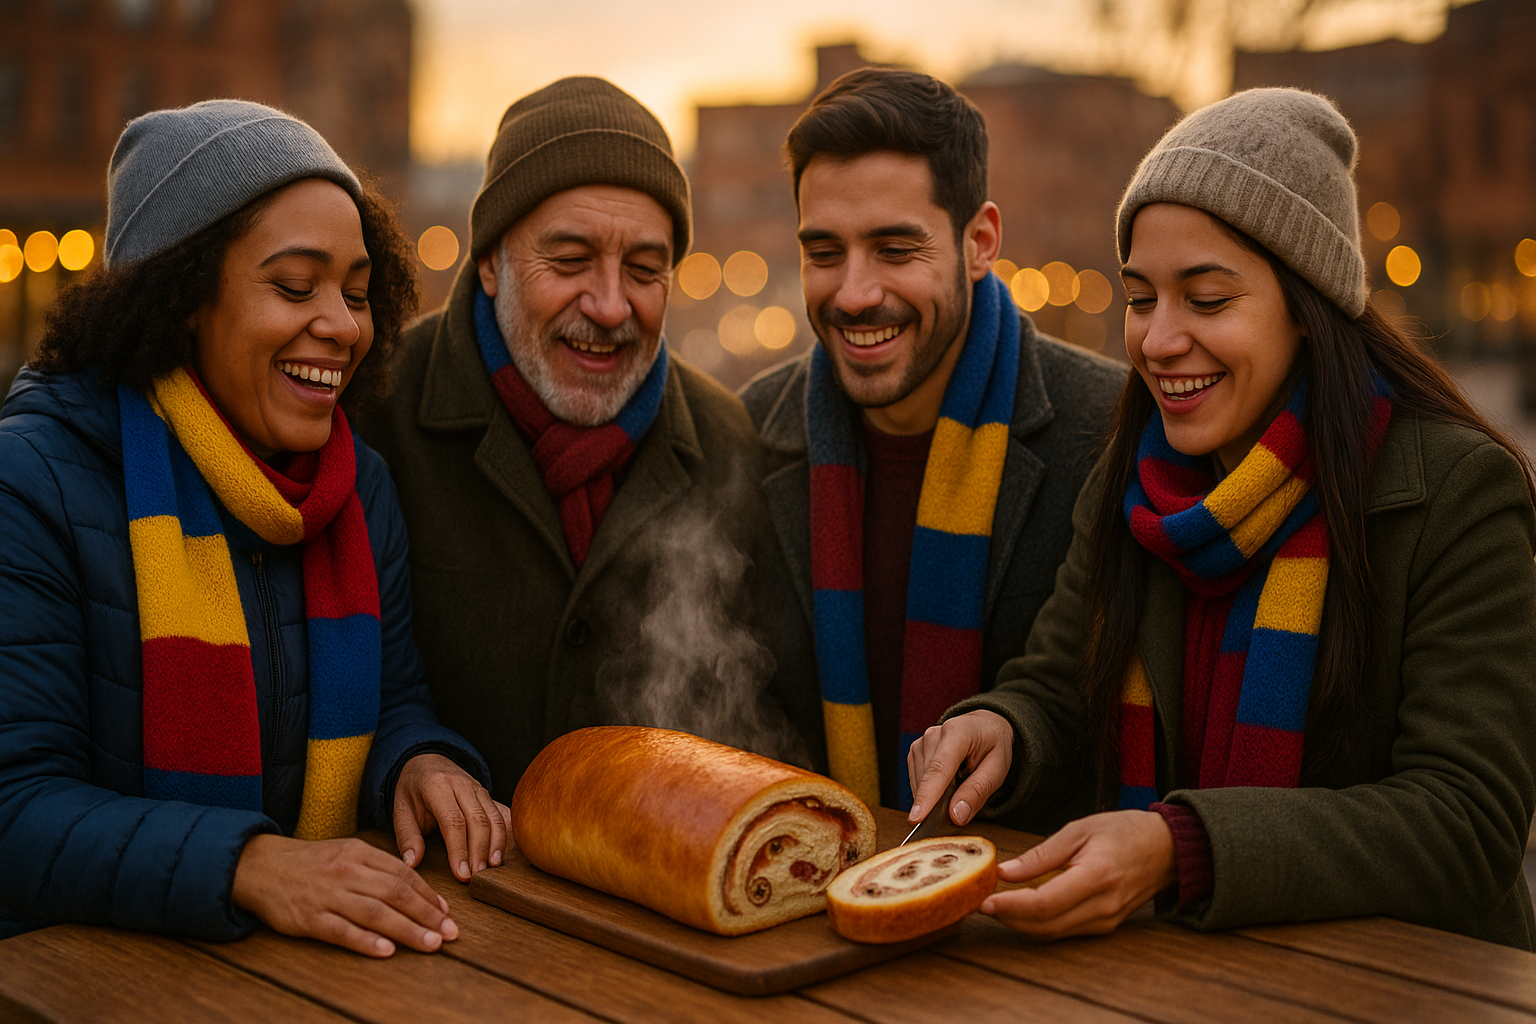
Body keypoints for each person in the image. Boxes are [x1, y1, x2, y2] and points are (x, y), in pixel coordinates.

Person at [908, 87, 1536, 949]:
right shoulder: (1130, 481)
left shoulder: (1457, 494)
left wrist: (1183, 848)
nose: (1159, 341)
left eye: (1206, 300)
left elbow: (1466, 822)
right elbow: (1056, 687)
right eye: (1141, 299)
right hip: (1174, 976)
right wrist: (1002, 730)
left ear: (1309, 308)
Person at [0, 100, 508, 958]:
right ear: (179, 297)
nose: (343, 326)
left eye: (356, 293)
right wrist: (253, 865)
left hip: (303, 975)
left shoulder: (359, 487)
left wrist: (417, 760)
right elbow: (15, 808)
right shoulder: (33, 481)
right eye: (295, 286)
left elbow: (393, 700)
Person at [352, 77, 822, 799]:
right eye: (570, 261)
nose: (608, 306)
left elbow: (774, 714)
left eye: (644, 270)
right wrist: (406, 762)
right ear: (490, 262)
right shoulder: (376, 409)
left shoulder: (727, 442)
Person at [739, 69, 1124, 816]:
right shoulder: (748, 434)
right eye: (824, 252)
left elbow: (1096, 715)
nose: (854, 293)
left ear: (979, 243)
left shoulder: (1106, 428)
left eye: (893, 249)